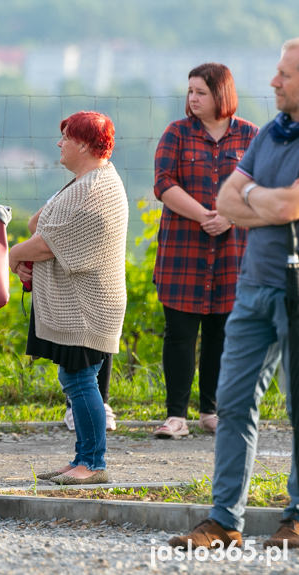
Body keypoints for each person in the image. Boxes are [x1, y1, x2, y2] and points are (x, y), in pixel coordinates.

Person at [168, 37, 299, 550]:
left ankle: (296, 517)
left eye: (284, 75)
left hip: (295, 288)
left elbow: (288, 203)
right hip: (254, 288)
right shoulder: (271, 135)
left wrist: (254, 199)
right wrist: (260, 199)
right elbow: (228, 196)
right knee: (233, 401)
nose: (273, 82)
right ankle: (224, 521)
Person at [10, 111, 128, 485]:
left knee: (80, 381)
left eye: (65, 138)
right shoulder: (86, 181)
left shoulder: (93, 189)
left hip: (88, 306)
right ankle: (83, 458)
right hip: (83, 303)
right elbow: (39, 226)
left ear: (83, 144)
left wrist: (11, 255)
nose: (59, 144)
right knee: (77, 379)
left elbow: (46, 243)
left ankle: (92, 463)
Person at [152, 63, 258, 439]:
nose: (192, 99)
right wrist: (204, 215)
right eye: (190, 91)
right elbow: (164, 183)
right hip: (184, 251)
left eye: (201, 92)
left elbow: (259, 188)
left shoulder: (250, 136)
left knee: (220, 332)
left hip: (233, 254)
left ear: (221, 95)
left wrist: (228, 217)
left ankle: (210, 411)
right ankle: (175, 416)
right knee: (179, 333)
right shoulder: (176, 133)